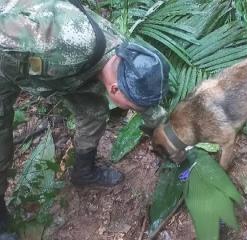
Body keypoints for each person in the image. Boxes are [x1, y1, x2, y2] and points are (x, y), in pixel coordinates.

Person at [0, 0, 169, 238]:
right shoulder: (65, 44)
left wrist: (168, 135)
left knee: (93, 112)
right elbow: (6, 26)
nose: (135, 110)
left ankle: (83, 171)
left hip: (62, 73)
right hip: (6, 61)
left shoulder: (124, 57)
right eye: (132, 107)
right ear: (114, 90)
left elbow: (146, 104)